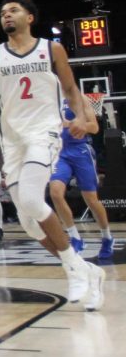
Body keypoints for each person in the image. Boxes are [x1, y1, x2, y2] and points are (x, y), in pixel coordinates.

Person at [0, 0, 105, 310]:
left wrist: (80, 117)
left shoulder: (51, 49)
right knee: (29, 222)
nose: (6, 15)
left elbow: (72, 89)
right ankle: (88, 270)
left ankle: (73, 269)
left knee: (35, 201)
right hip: (12, 140)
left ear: (30, 17)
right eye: (2, 12)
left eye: (13, 10)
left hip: (44, 132)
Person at [49, 97, 113, 260]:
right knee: (55, 193)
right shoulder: (48, 97)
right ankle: (75, 237)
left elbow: (94, 127)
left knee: (91, 199)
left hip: (80, 151)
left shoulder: (79, 98)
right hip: (59, 152)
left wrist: (70, 124)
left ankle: (107, 237)